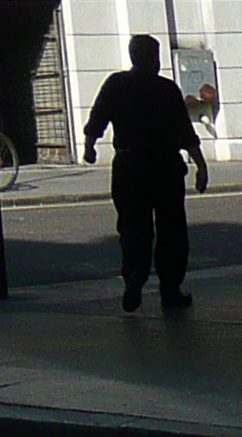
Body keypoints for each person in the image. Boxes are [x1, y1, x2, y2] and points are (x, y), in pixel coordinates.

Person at [85, 33, 208, 311]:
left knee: (132, 227)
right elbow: (184, 131)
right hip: (164, 167)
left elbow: (98, 116)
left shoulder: (116, 84)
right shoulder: (166, 89)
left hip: (129, 166)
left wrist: (90, 146)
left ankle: (134, 277)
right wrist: (200, 165)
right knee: (172, 230)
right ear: (155, 57)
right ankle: (170, 289)